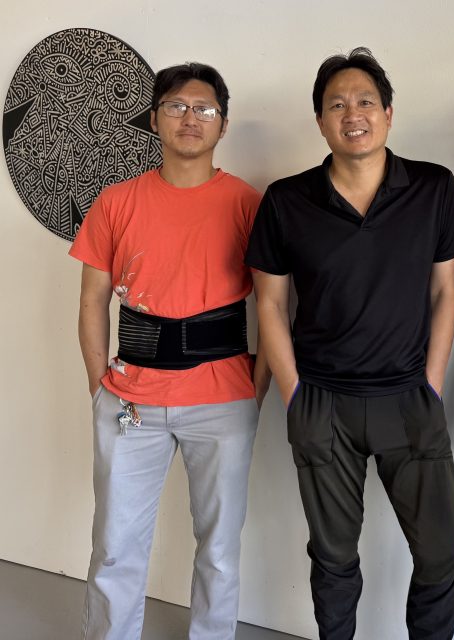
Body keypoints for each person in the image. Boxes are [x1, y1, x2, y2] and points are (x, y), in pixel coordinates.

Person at [246, 47, 454, 640]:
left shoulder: (432, 187)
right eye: (337, 104)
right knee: (334, 558)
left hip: (409, 400)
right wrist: (295, 395)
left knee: (440, 557)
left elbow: (445, 292)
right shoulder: (286, 200)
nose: (354, 114)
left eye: (366, 101)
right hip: (323, 403)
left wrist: (432, 383)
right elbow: (269, 302)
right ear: (320, 121)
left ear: (389, 114)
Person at [70, 62, 268, 640]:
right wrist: (97, 384)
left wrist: (256, 391)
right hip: (130, 398)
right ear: (155, 118)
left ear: (222, 125)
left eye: (204, 109)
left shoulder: (247, 204)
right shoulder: (116, 201)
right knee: (114, 544)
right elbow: (91, 301)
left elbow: (280, 305)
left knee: (221, 548)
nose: (190, 118)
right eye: (177, 106)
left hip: (224, 398)